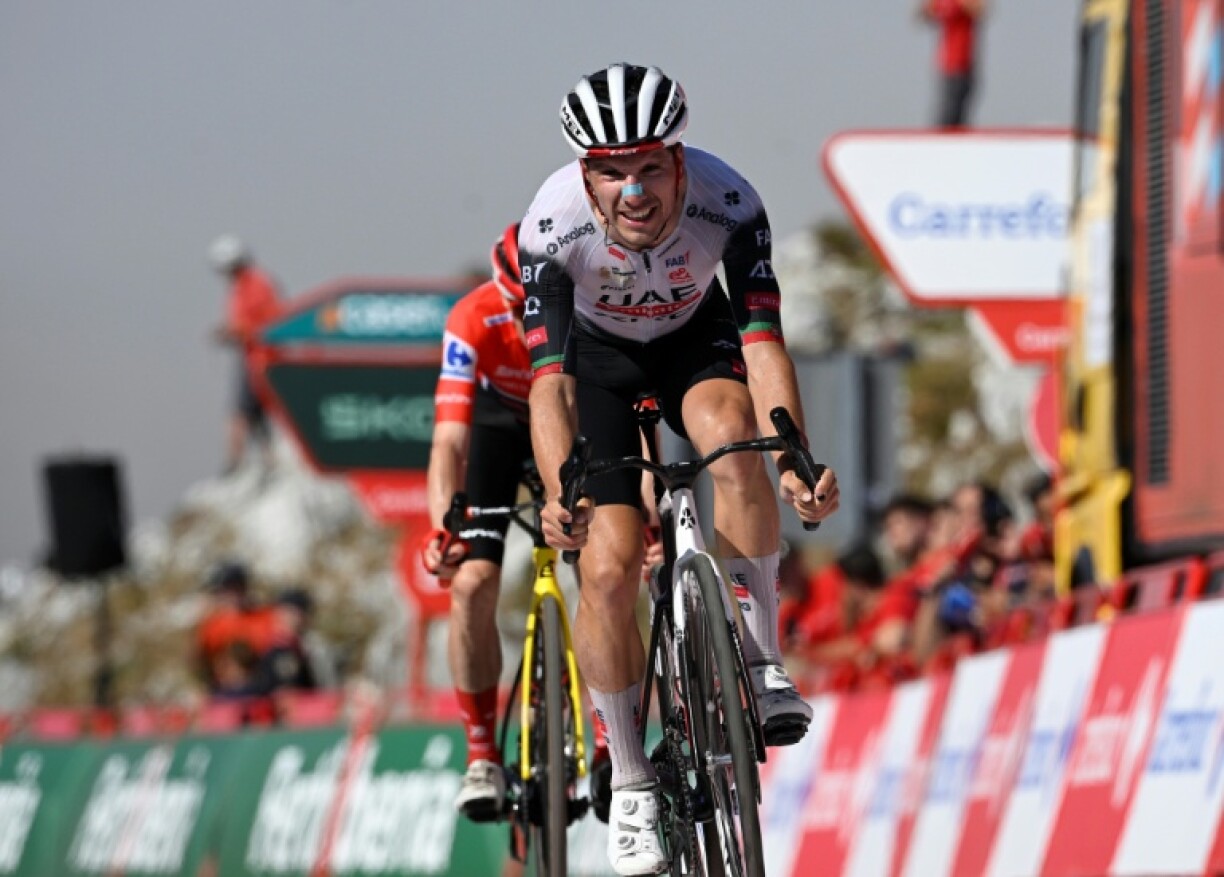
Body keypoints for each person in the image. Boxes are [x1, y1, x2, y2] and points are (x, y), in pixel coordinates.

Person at [521, 63, 840, 875]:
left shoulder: (730, 202)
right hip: (597, 366)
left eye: (650, 168)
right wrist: (561, 492)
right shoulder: (550, 228)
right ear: (585, 178)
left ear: (679, 162)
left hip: (695, 341)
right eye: (611, 173)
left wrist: (795, 458)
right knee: (608, 565)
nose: (634, 191)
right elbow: (551, 386)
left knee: (735, 436)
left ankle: (762, 662)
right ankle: (632, 779)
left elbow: (763, 345)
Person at [419, 223, 536, 823]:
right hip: (497, 423)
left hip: (566, 411)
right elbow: (448, 441)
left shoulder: (587, 302)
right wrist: (444, 525)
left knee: (607, 568)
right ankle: (482, 754)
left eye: (534, 308)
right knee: (469, 584)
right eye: (515, 308)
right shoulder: (471, 317)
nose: (524, 323)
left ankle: (607, 740)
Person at [208, 234, 283, 475]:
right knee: (254, 413)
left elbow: (268, 321)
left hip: (260, 357)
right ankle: (268, 458)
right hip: (252, 354)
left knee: (240, 411)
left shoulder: (255, 284)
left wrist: (233, 331)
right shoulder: (243, 286)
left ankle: (236, 462)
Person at [918, 0, 986, 128]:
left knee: (956, 117)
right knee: (946, 118)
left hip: (964, 66)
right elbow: (922, 15)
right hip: (949, 67)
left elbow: (981, 10)